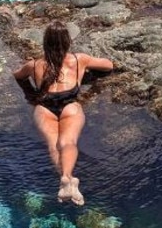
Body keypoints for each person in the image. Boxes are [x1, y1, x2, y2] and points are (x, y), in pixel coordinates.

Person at [13, 20, 113, 205]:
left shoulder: (34, 65)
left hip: (44, 108)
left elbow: (17, 75)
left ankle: (66, 180)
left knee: (53, 145)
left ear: (45, 43)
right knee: (68, 142)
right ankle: (68, 177)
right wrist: (88, 70)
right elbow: (108, 65)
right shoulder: (78, 59)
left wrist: (29, 94)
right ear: (67, 41)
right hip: (70, 106)